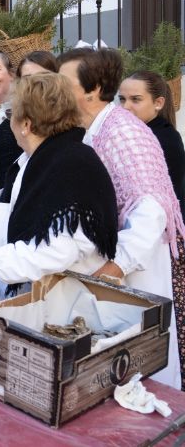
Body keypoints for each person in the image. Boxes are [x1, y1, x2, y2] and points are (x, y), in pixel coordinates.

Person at [0, 72, 119, 309]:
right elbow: (1, 211)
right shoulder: (34, 160)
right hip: (38, 296)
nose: (9, 122)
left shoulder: (70, 165)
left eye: (10, 114)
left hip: (65, 303)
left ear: (26, 125)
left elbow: (55, 251)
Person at [58, 48, 185, 390]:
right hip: (109, 267)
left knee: (142, 370)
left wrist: (115, 268)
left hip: (135, 269)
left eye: (64, 82)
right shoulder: (89, 127)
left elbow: (152, 209)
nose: (56, 88)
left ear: (94, 89)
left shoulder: (125, 132)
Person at [0, 50, 58, 189]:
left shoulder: (66, 121)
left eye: (43, 77)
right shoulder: (8, 129)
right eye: (28, 79)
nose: (35, 84)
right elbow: (4, 186)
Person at [118, 70, 185, 204]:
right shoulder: (138, 133)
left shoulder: (161, 140)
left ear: (158, 103)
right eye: (122, 99)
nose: (125, 107)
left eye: (136, 99)